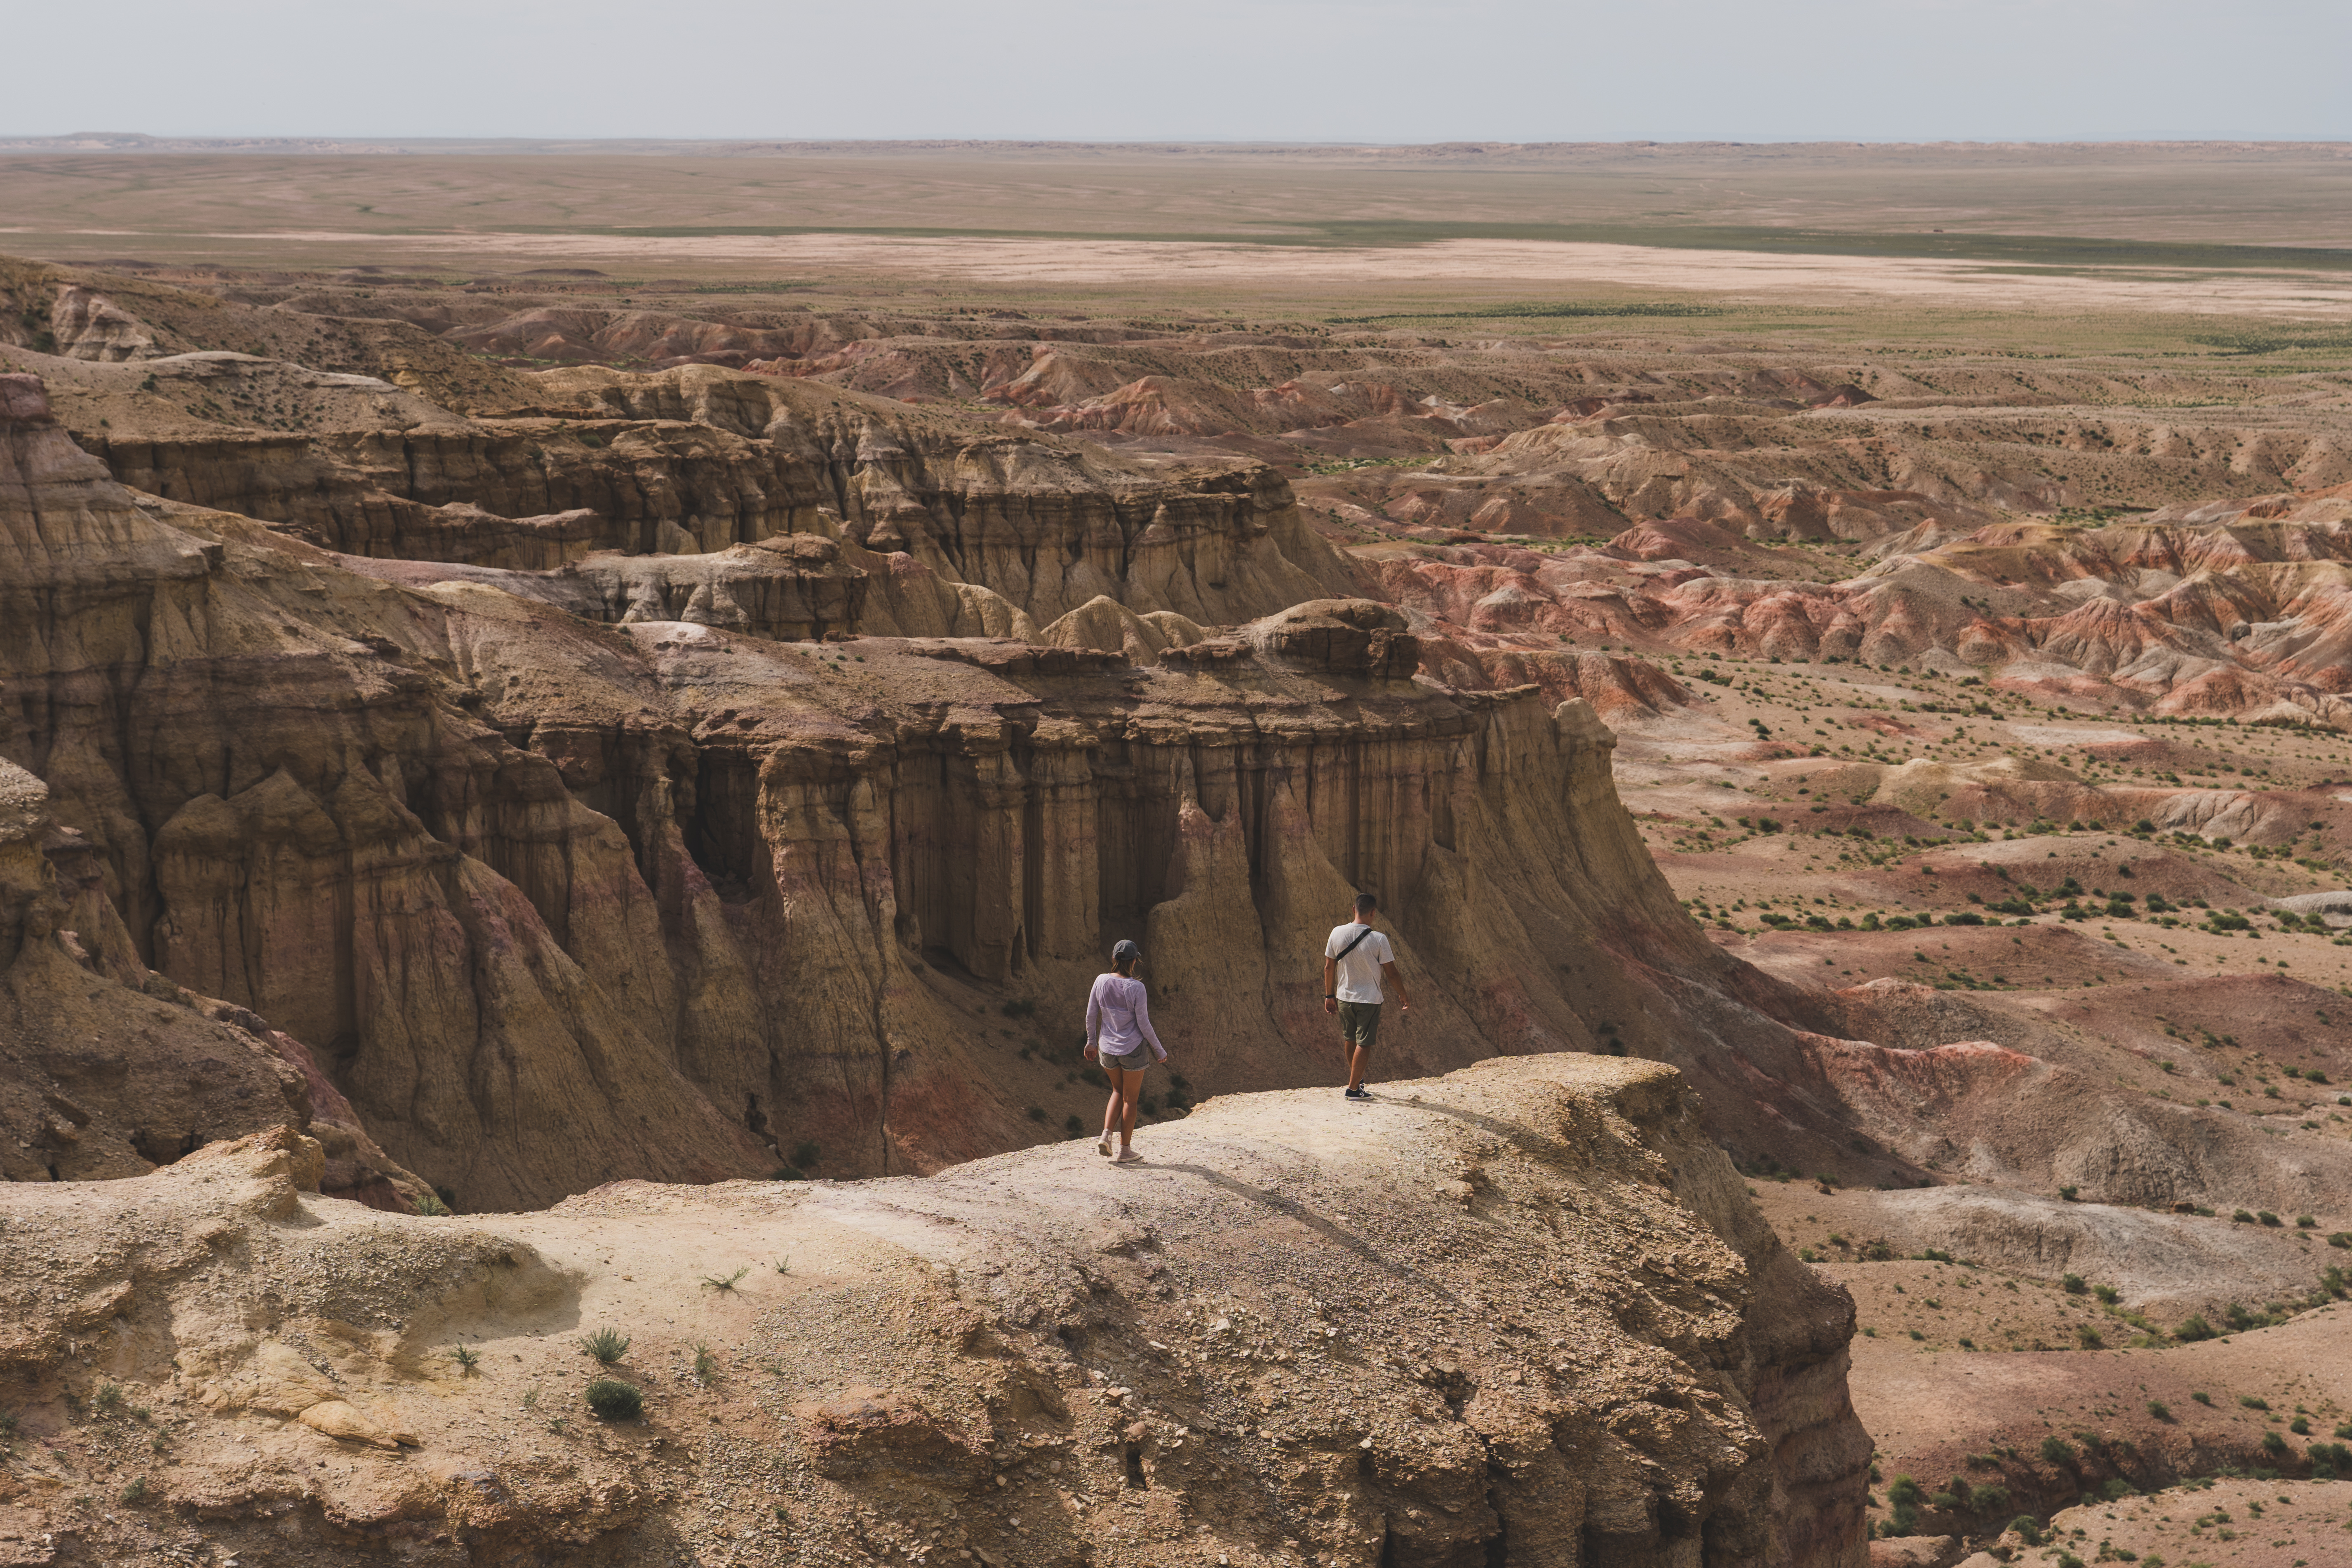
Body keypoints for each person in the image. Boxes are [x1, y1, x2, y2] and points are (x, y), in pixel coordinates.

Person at [1084, 938, 1168, 1164]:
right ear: (1134, 962)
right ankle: (1125, 1151)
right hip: (1132, 1049)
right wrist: (1160, 1051)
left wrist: (1091, 1043)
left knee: (1117, 1091)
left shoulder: (1100, 981)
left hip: (1107, 1049)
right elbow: (1144, 1024)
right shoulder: (1137, 988)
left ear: (1114, 959)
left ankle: (1106, 1135)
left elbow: (1091, 1015)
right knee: (1130, 1099)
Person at [1323, 892, 1411, 1100]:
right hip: (1369, 999)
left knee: (1350, 1038)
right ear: (1373, 913)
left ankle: (1357, 1080)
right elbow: (1392, 972)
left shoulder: (1336, 933)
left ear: (1354, 909)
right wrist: (1403, 994)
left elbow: (1329, 967)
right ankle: (1353, 1090)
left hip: (1344, 997)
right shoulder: (1379, 939)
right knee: (1364, 1042)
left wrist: (1329, 995)